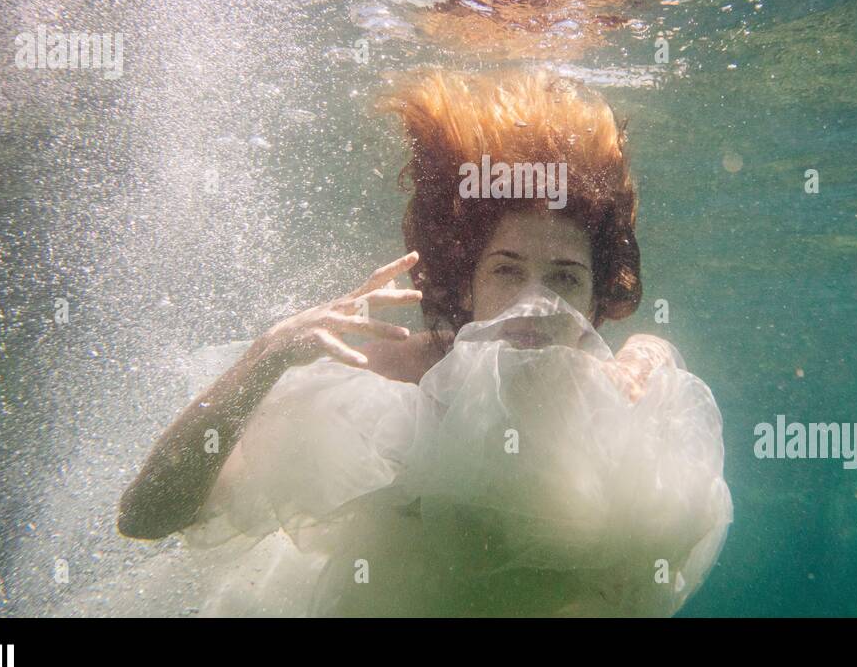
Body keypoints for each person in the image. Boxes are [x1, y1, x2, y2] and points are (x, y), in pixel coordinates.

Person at [116, 69, 731, 616]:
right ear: (466, 282)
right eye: (507, 271)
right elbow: (145, 516)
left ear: (598, 300)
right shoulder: (390, 374)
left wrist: (648, 352)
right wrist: (268, 355)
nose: (536, 306)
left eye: (565, 279)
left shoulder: (625, 393)